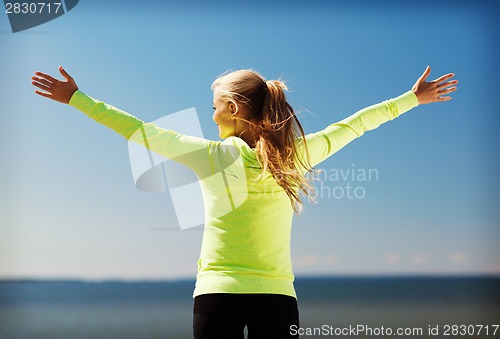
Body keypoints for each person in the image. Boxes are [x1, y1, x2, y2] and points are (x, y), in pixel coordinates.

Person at [31, 66, 457, 338]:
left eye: (215, 106)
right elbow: (357, 125)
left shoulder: (210, 156)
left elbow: (139, 131)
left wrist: (77, 99)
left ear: (232, 108)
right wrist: (411, 99)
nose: (211, 113)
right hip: (278, 298)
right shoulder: (298, 155)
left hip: (218, 297)